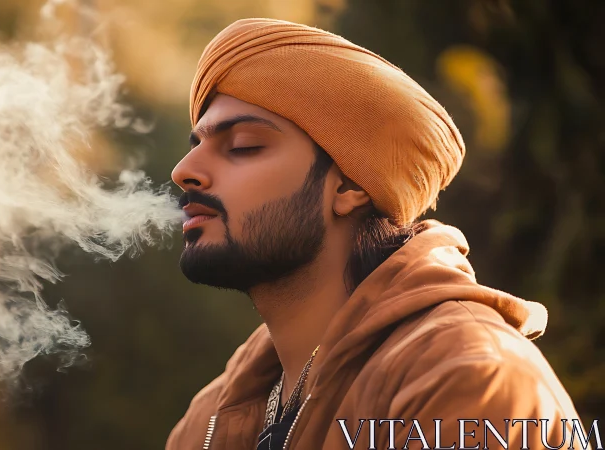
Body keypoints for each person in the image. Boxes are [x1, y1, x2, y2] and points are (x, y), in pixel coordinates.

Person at [166, 18, 581, 450]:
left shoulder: (470, 378)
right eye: (195, 145)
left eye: (243, 146)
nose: (184, 171)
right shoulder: (207, 418)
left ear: (349, 187)